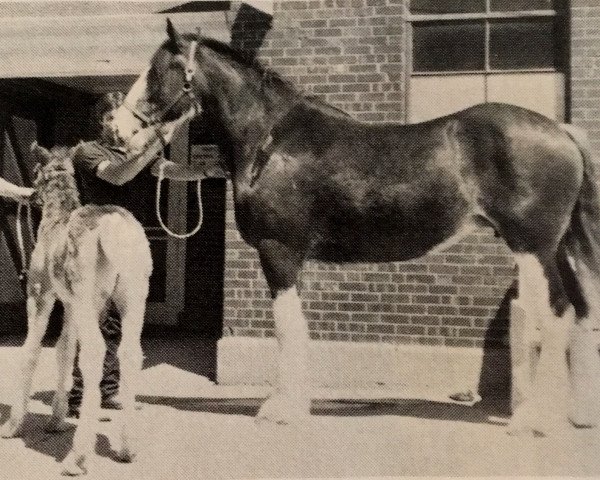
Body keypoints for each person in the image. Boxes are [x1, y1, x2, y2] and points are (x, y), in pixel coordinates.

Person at [67, 91, 167, 416]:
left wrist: (208, 172)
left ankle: (109, 390)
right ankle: (80, 396)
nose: (119, 124)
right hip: (95, 237)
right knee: (93, 318)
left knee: (117, 319)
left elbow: (168, 170)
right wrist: (149, 148)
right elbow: (118, 175)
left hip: (126, 238)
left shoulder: (133, 152)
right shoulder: (86, 151)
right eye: (111, 117)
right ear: (101, 121)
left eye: (125, 118)